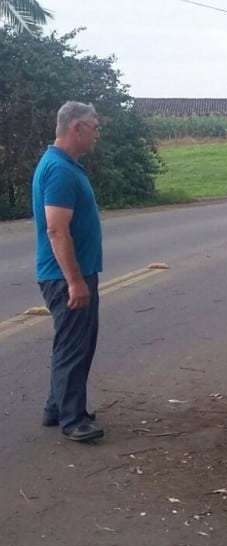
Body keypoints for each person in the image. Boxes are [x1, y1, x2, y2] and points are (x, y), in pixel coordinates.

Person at [32, 101, 105, 442]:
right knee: (75, 347)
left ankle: (56, 407)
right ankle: (73, 419)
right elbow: (57, 230)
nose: (97, 134)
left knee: (70, 342)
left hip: (69, 273)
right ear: (76, 128)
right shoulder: (60, 170)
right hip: (65, 276)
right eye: (93, 126)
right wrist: (75, 281)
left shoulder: (64, 165)